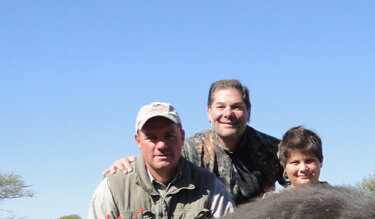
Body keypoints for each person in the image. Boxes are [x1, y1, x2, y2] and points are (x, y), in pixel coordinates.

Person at [103, 79, 285, 205]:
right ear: (208, 112)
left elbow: (304, 184)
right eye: (220, 107)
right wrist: (132, 163)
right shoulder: (188, 149)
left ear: (249, 112)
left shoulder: (275, 149)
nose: (228, 114)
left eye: (236, 107)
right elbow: (157, 163)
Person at [84, 102, 234, 219]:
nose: (161, 145)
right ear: (138, 141)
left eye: (169, 136)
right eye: (151, 138)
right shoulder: (113, 188)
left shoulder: (210, 186)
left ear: (182, 137)